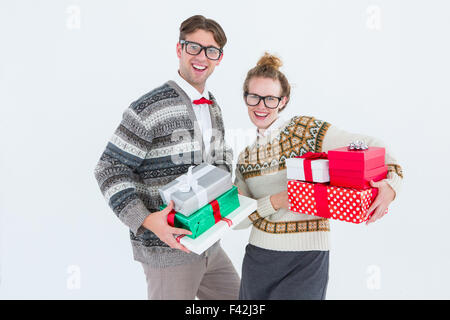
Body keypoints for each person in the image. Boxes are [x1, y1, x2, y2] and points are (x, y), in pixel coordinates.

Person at [233, 53, 403, 300]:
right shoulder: (245, 156)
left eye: (270, 99)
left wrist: (391, 185)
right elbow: (238, 220)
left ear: (283, 101)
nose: (261, 105)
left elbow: (372, 146)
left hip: (306, 259)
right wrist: (277, 201)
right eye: (254, 97)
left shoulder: (305, 131)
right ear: (245, 98)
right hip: (258, 259)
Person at [94, 15, 240, 300]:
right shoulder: (149, 107)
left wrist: (226, 200)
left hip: (209, 244)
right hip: (168, 251)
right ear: (179, 49)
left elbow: (222, 155)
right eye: (194, 47)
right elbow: (109, 168)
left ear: (219, 58)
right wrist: (147, 220)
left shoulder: (214, 106)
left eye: (211, 50)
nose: (202, 57)